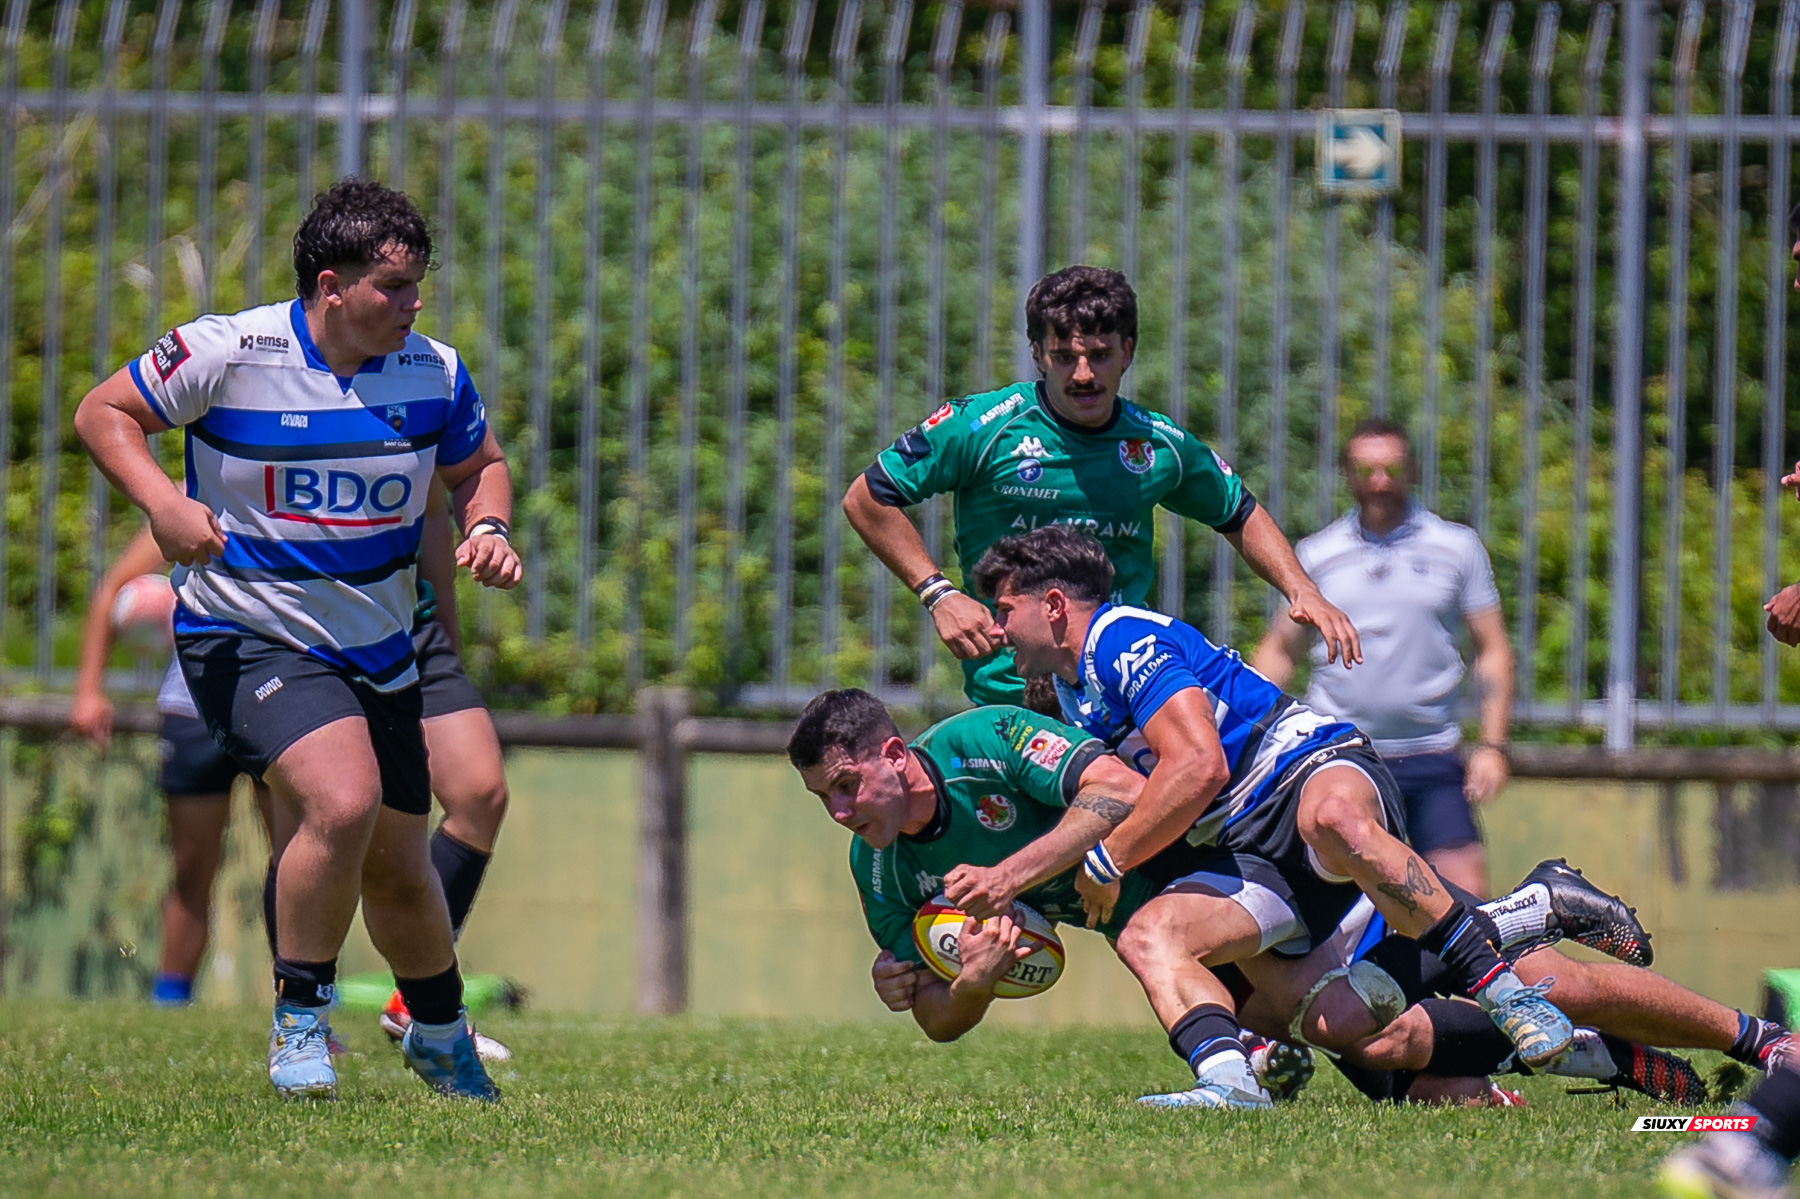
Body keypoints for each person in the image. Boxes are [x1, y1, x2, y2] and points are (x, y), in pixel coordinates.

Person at [74, 178, 520, 1101]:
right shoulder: (230, 351)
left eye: (418, 285)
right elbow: (101, 413)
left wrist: (490, 527)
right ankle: (300, 1022)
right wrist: (164, 502)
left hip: (381, 646)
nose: (414, 304)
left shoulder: (433, 370)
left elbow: (479, 466)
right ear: (331, 286)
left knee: (400, 863)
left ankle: (437, 1030)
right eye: (393, 288)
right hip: (249, 633)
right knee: (343, 799)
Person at [787, 690, 1750, 1113]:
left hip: (1254, 869)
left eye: (843, 786)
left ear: (892, 754)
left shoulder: (985, 742)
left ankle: (1753, 1039)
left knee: (1535, 983)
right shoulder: (881, 874)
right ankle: (1617, 1054)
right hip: (1216, 932)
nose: (836, 813)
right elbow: (934, 1016)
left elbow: (1119, 790)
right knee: (1383, 1054)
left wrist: (1009, 875)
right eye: (820, 803)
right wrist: (978, 981)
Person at [970, 524, 1580, 1076]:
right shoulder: (1074, 691)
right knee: (1174, 948)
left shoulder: (1119, 638)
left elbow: (1198, 767)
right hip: (1246, 843)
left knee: (1334, 819)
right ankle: (1230, 1084)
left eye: (1004, 611)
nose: (997, 631)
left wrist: (1107, 862)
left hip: (1301, 769)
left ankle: (1501, 988)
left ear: (1052, 606)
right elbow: (1134, 794)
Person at [844, 264, 1359, 708]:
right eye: (1065, 356)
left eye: (1100, 354)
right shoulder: (982, 427)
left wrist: (1301, 588)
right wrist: (939, 595)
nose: (1084, 374)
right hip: (1013, 689)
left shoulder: (1156, 443)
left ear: (1128, 351)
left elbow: (1236, 511)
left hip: (1121, 687)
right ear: (1038, 355)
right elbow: (868, 498)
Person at [1251, 417, 1513, 897]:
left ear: (1411, 469)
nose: (1379, 482)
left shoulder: (1456, 547)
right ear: (1347, 475)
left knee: (1470, 897)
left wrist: (1493, 747)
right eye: (1366, 469)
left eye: (1391, 468)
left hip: (1432, 756)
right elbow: (1280, 649)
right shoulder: (1317, 554)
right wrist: (1253, 739)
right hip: (1341, 755)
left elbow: (1492, 649)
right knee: (1338, 903)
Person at [71, 526, 275, 1008]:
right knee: (191, 865)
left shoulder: (303, 483)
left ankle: (303, 1004)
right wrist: (87, 690)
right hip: (193, 707)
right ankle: (170, 1000)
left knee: (296, 862)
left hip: (282, 703)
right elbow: (112, 590)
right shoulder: (187, 492)